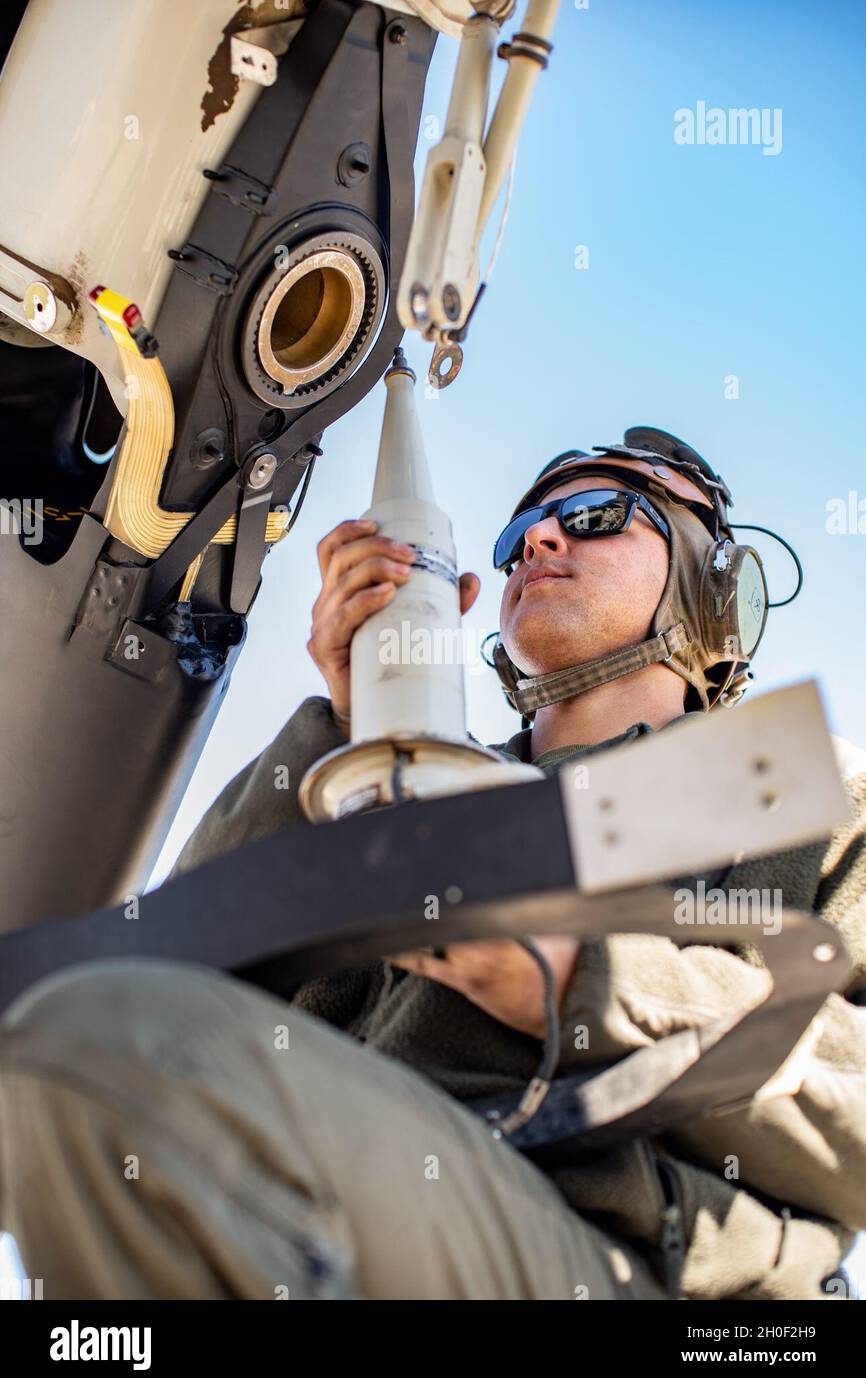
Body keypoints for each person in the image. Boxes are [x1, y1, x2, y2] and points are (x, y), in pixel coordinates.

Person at [1, 429, 864, 1301]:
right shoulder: (407, 789)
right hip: (330, 1208)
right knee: (55, 1063)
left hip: (633, 1267)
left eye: (599, 515)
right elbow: (178, 972)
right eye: (520, 530)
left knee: (96, 1048)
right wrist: (347, 726)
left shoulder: (805, 795)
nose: (540, 538)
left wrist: (577, 976)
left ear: (716, 591)